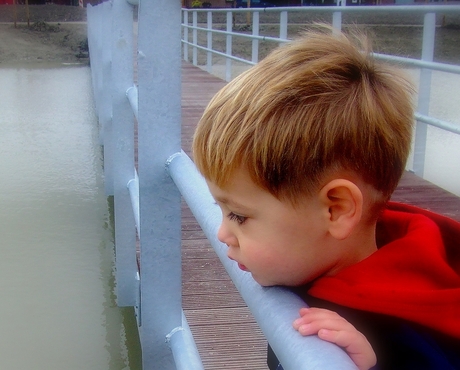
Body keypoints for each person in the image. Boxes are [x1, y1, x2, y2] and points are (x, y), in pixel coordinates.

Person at [192, 26, 460, 370]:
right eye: (223, 210)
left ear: (336, 209)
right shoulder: (329, 265)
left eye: (239, 216)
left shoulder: (410, 331)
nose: (222, 234)